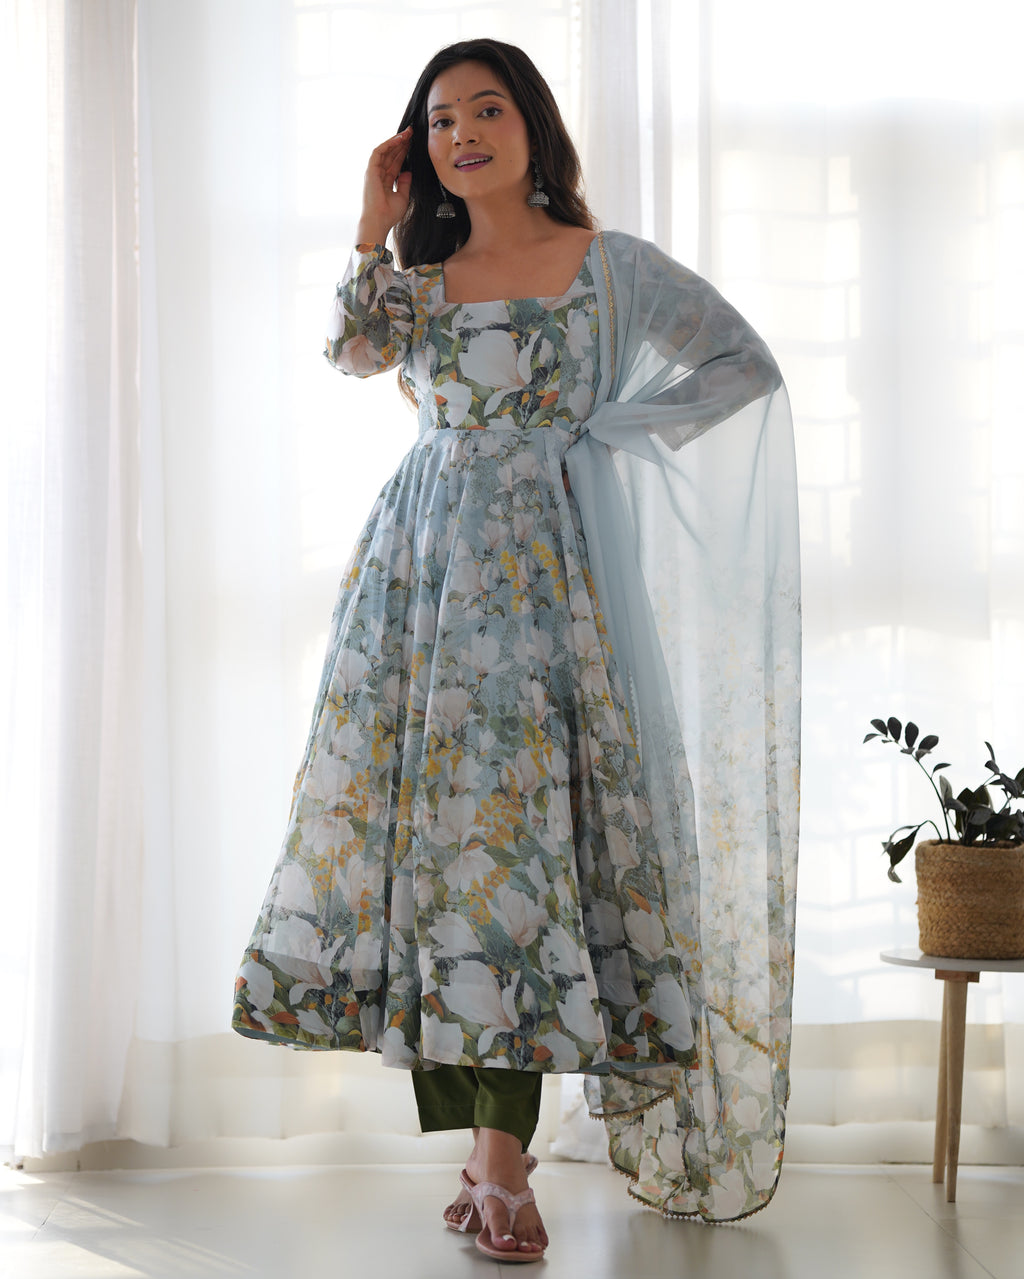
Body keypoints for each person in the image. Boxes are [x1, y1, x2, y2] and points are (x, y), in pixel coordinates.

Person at [232, 38, 800, 1258]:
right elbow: (349, 352)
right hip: (422, 584)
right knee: (450, 856)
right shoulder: (418, 280)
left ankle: (500, 1159)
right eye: (440, 121)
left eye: (486, 110)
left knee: (531, 854)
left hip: (550, 586)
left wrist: (607, 434)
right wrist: (371, 221)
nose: (463, 135)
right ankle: (490, 1156)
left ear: (532, 125)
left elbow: (740, 365)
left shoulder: (609, 267)